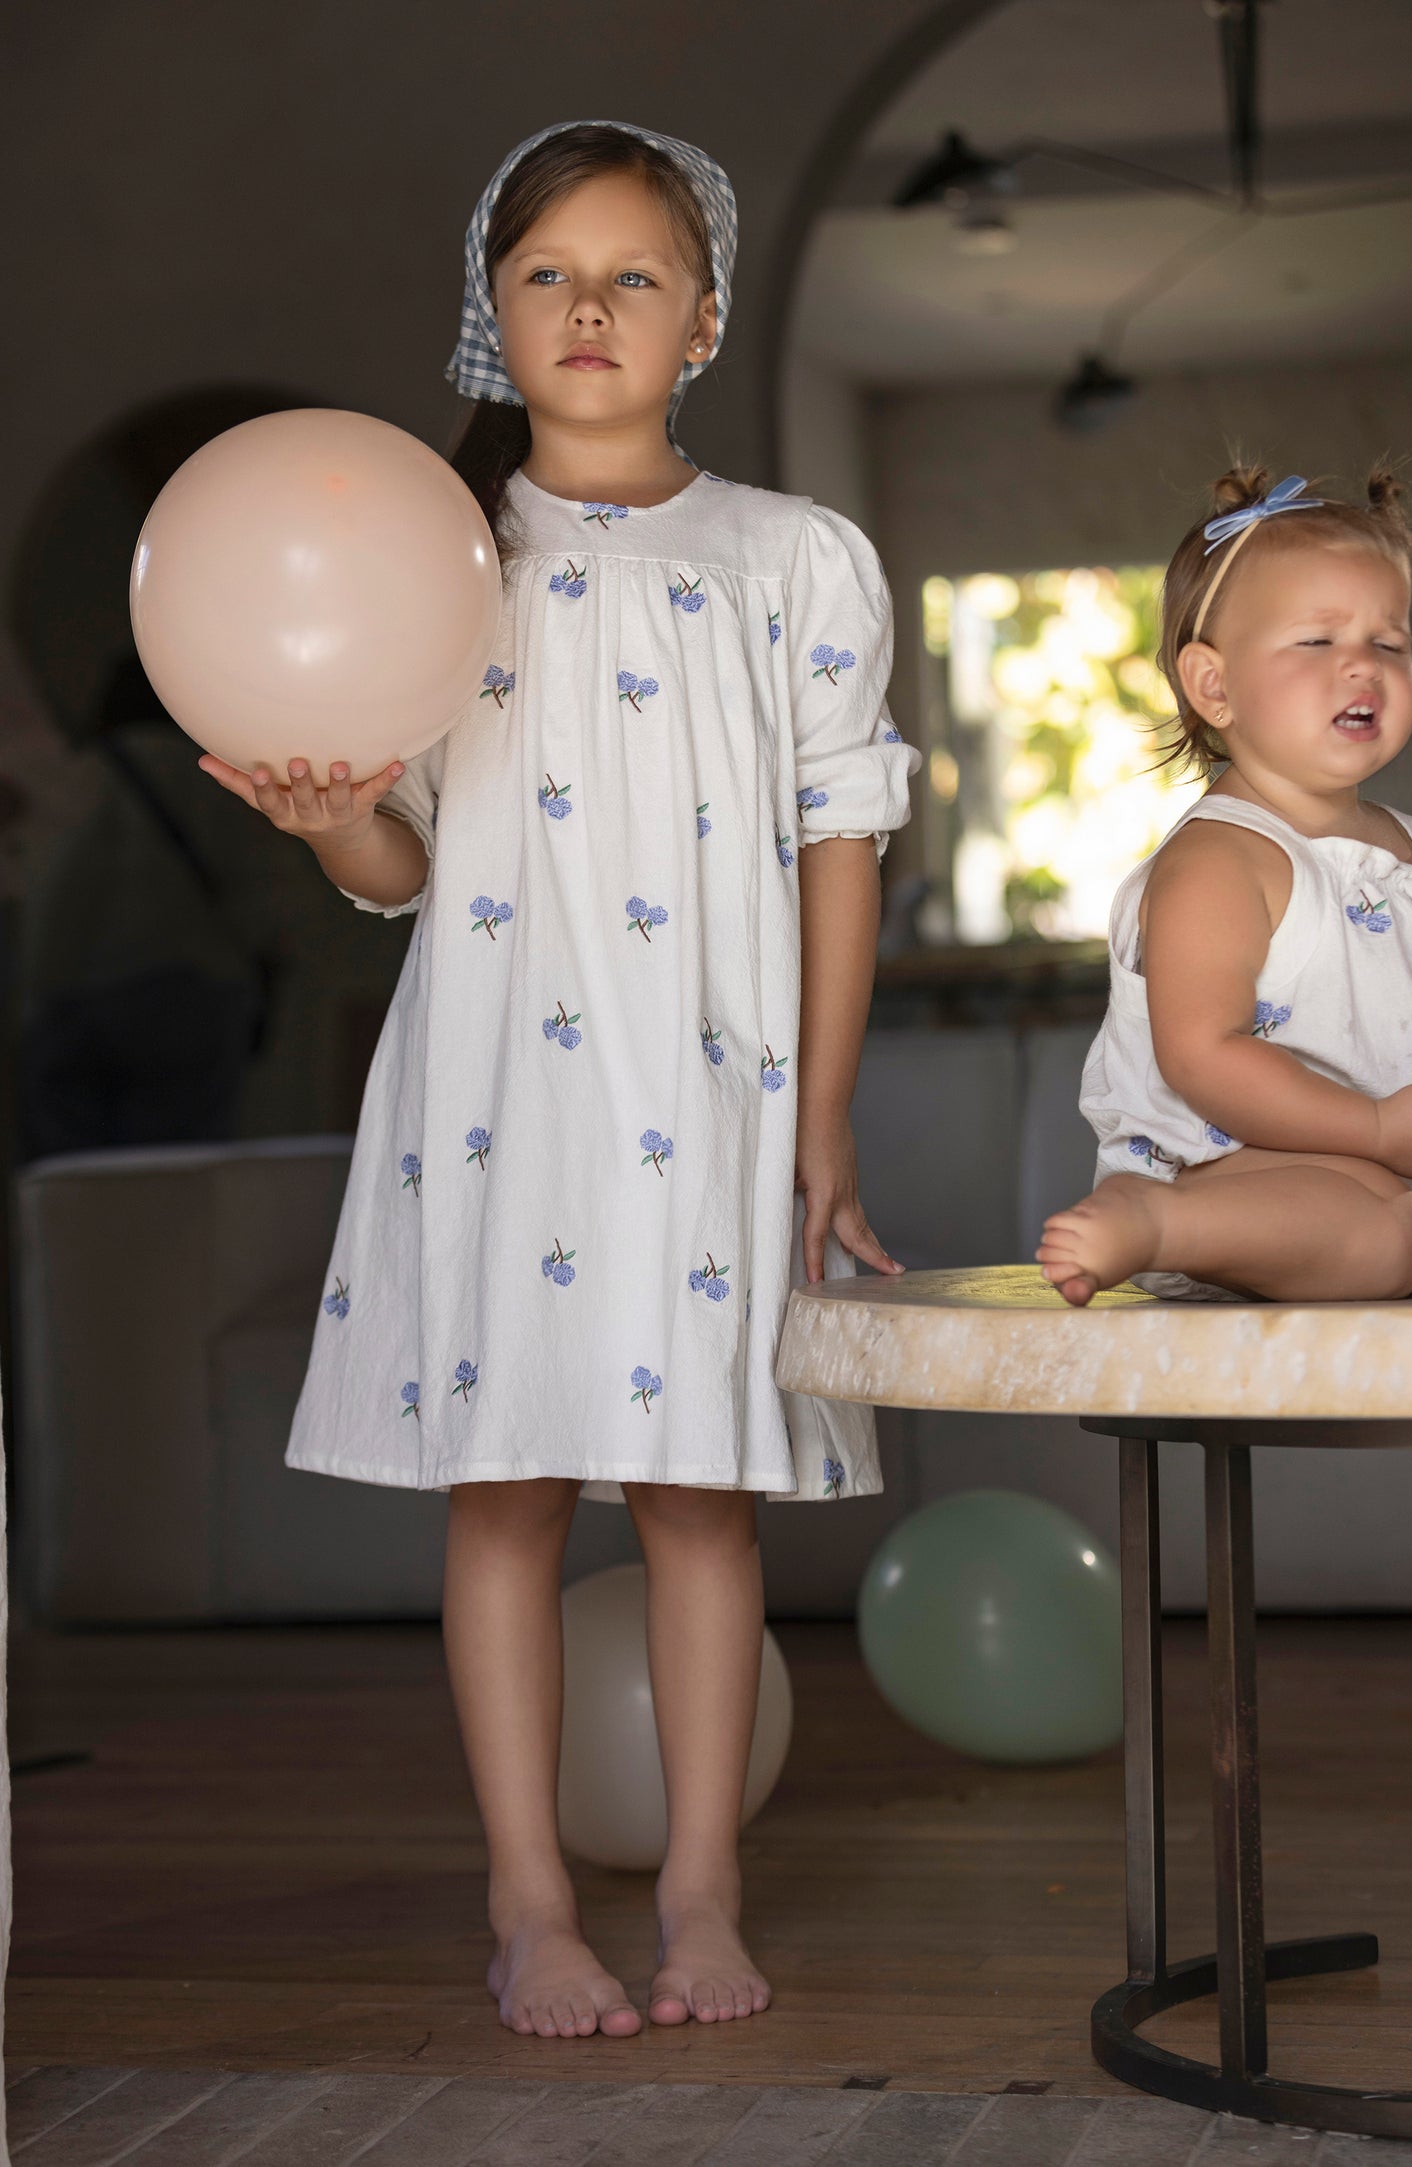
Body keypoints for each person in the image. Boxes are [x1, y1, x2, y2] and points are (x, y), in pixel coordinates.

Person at [198, 121, 919, 2039]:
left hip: (717, 1082)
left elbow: (842, 845)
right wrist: (328, 814)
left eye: (633, 275)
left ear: (704, 319)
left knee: (699, 1495)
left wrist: (823, 1112)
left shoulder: (794, 559)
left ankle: (698, 1892)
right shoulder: (429, 557)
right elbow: (400, 867)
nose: (589, 306)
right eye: (547, 274)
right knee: (506, 1489)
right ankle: (528, 1903)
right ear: (490, 311)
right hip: (497, 1079)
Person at [1037, 464, 1412, 1309]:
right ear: (1213, 685)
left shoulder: (1410, 846)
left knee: (1396, 1224)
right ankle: (1155, 1223)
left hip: (1395, 1175)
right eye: (1316, 641)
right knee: (1379, 1235)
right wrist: (1375, 1128)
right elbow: (1201, 1056)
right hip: (1230, 1172)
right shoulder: (1220, 860)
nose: (1361, 666)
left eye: (1388, 643)